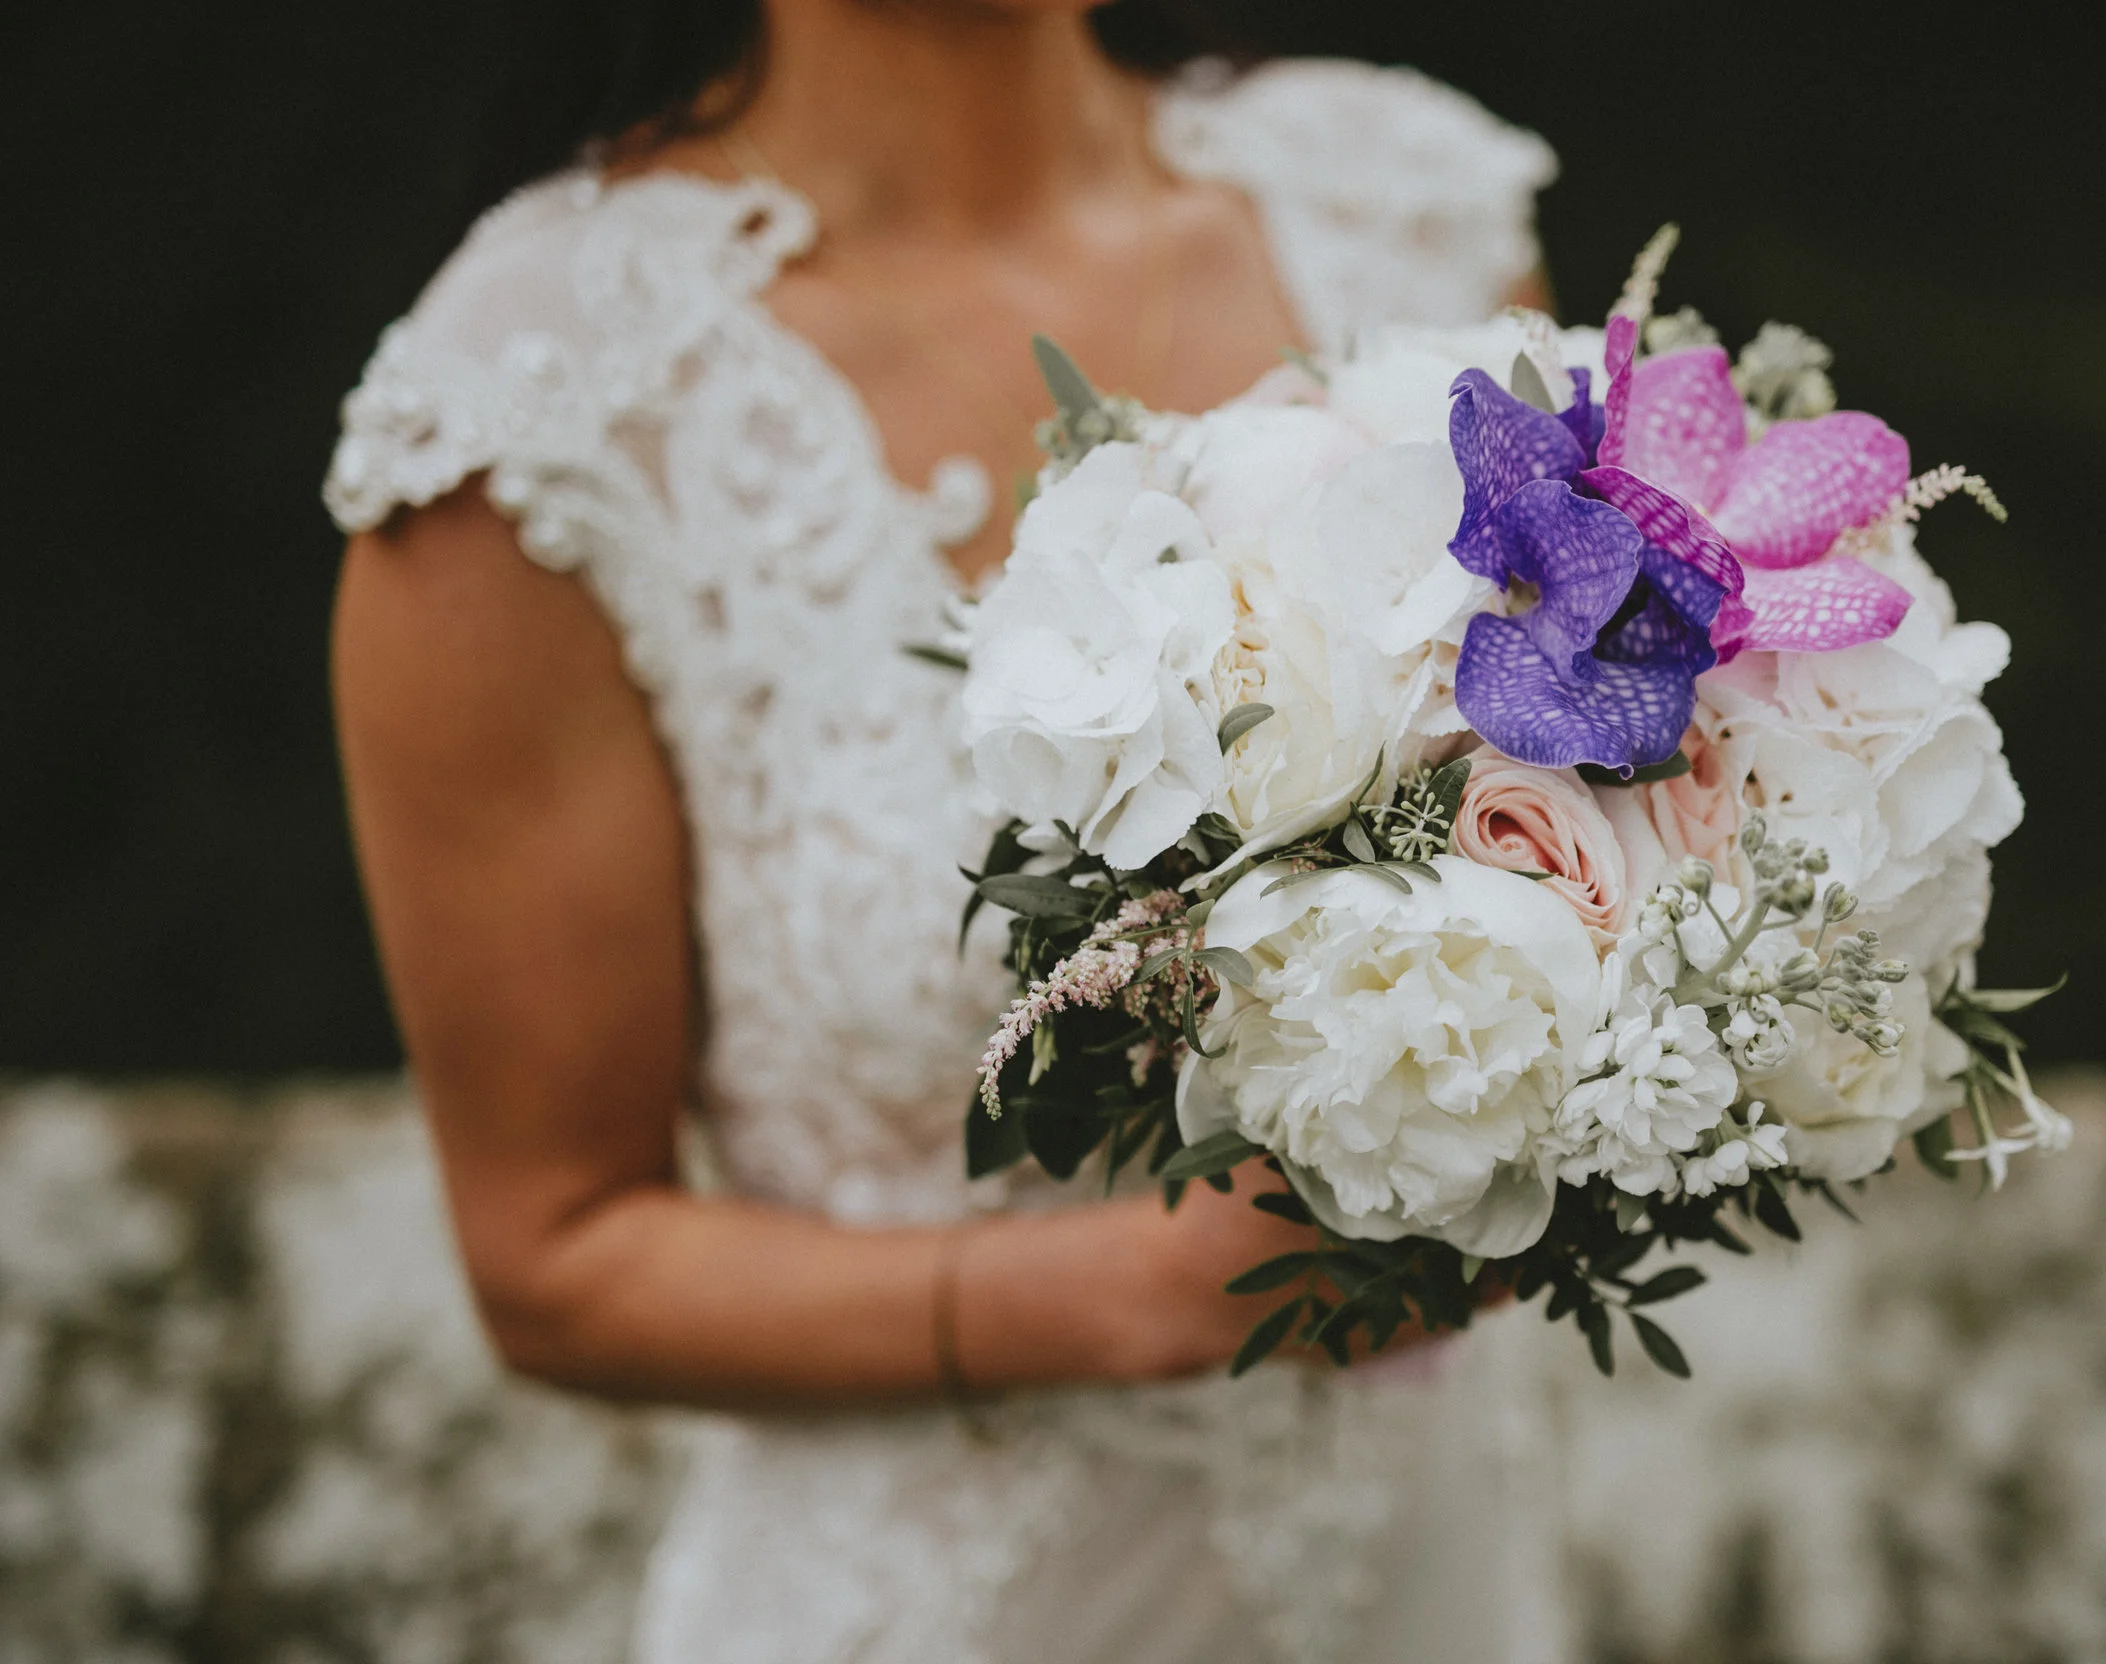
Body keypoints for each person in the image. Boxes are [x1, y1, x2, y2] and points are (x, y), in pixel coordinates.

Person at [327, 2, 1572, 1659]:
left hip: (1434, 1583)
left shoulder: (1402, 215)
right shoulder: (539, 405)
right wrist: (1132, 1296)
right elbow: (553, 1259)